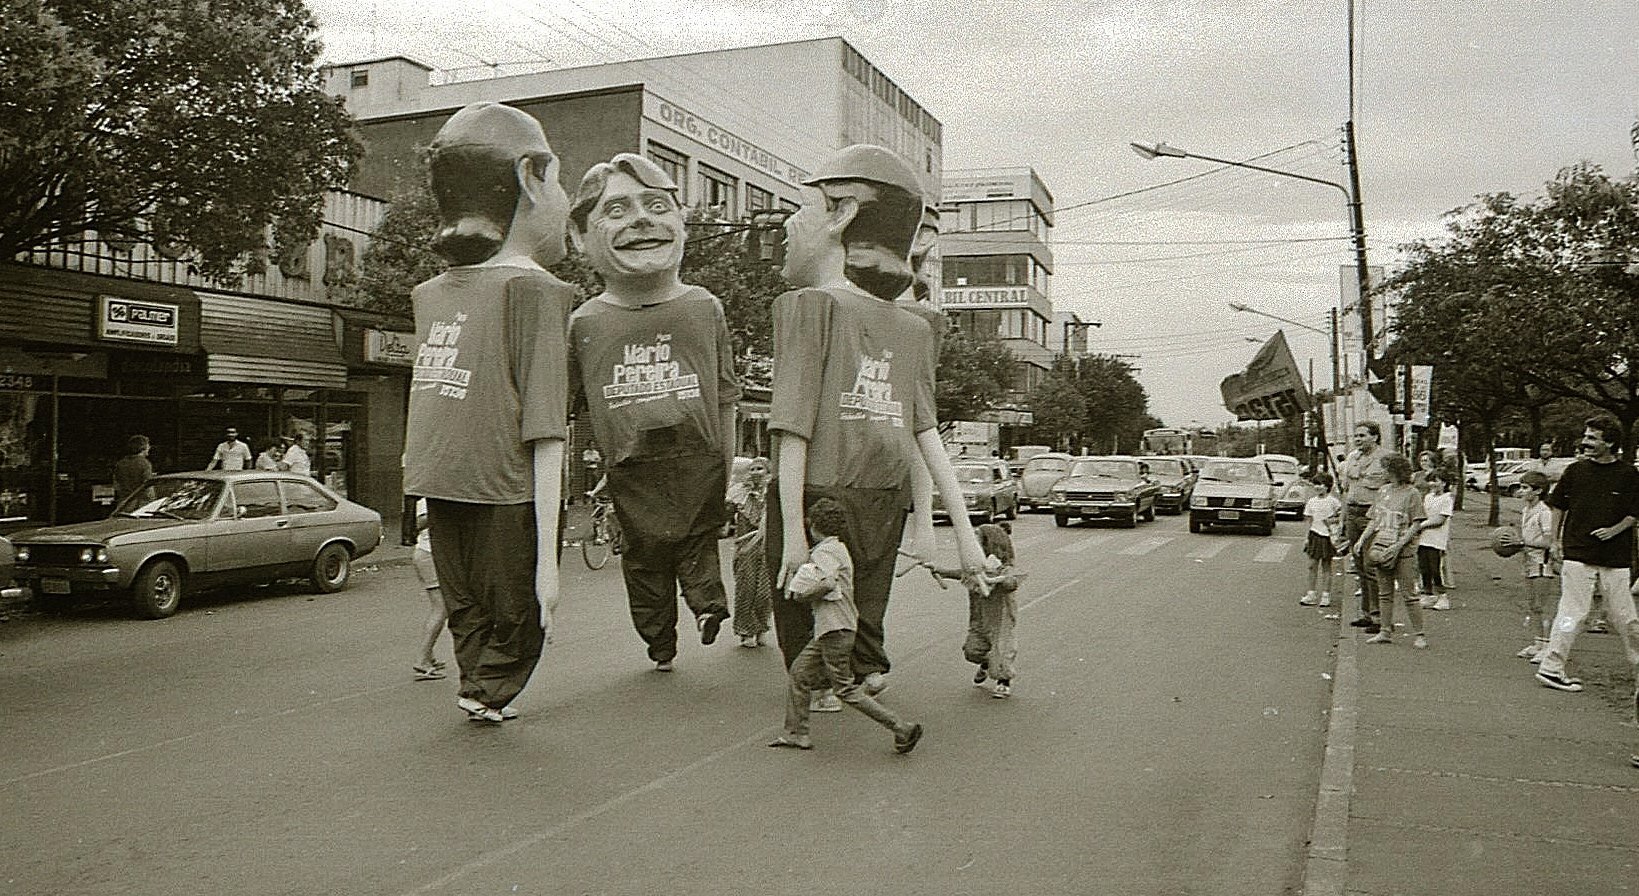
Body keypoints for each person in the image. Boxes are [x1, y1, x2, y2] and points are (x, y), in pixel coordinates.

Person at [766, 144, 987, 701]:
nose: (789, 226)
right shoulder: (916, 325)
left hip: (817, 496)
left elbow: (793, 431)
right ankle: (857, 674)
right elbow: (925, 438)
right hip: (881, 499)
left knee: (807, 597)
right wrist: (957, 536)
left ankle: (821, 683)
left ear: (841, 214)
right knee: (865, 598)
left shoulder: (807, 306)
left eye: (801, 208)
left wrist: (793, 534)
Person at [403, 102, 571, 724]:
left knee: (466, 599)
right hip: (507, 488)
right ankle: (487, 688)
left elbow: (430, 392)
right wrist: (550, 564)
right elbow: (547, 428)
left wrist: (418, 493)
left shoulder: (431, 293)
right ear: (531, 177)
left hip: (437, 480)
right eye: (557, 181)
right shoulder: (536, 290)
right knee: (520, 609)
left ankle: (477, 685)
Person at [566, 153, 738, 672]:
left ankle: (700, 613)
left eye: (657, 205)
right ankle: (665, 637)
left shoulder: (704, 307)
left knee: (676, 547)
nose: (641, 219)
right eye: (616, 210)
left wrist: (725, 468)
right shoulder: (582, 323)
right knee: (656, 553)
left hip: (694, 454)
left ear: (680, 223)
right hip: (630, 463)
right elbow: (563, 413)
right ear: (581, 237)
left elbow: (727, 396)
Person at [767, 497, 923, 754]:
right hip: (835, 629)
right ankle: (797, 733)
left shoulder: (824, 552)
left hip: (834, 629)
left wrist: (801, 596)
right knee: (799, 672)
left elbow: (827, 583)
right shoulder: (839, 548)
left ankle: (901, 727)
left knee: (845, 689)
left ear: (814, 526)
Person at [1532, 415, 1639, 693]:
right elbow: (1558, 507)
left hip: (1614, 558)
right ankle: (1552, 668)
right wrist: (1554, 541)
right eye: (1586, 436)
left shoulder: (1628, 475)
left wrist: (1614, 530)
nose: (1585, 442)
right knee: (1572, 612)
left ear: (1610, 442)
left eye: (1593, 437)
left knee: (1626, 617)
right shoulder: (1575, 471)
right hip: (1578, 553)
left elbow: (1634, 513)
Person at [1357, 453, 1429, 649]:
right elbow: (1374, 519)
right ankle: (1385, 631)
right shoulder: (1383, 491)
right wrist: (1362, 539)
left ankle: (1420, 634)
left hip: (1403, 549)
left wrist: (1399, 546)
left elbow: (1416, 523)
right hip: (1382, 545)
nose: (1383, 473)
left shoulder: (1412, 493)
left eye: (1386, 469)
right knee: (1384, 592)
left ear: (1396, 471)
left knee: (1409, 593)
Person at [957, 522, 1022, 699]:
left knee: (1001, 652)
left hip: (1000, 619)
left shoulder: (1004, 567)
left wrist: (999, 579)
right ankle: (986, 663)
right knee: (972, 651)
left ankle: (1003, 682)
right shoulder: (975, 566)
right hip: (979, 617)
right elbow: (962, 574)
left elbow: (1011, 582)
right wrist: (939, 570)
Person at [1343, 421, 1389, 633]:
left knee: (1371, 566)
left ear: (1375, 437)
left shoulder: (1385, 459)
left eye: (1362, 435)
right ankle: (1366, 613)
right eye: (1356, 436)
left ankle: (1379, 617)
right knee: (1359, 565)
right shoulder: (1352, 458)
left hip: (1372, 514)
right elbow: (1347, 488)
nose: (1358, 439)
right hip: (1353, 512)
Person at [1511, 471, 1557, 661]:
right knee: (1533, 605)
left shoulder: (1545, 512)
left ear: (1538, 491)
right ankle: (1538, 642)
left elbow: (1549, 541)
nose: (1521, 491)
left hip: (1542, 563)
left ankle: (1548, 645)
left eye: (1525, 488)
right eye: (1521, 487)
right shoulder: (1526, 510)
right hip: (1529, 561)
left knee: (1541, 606)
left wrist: (1524, 543)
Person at [731, 457, 773, 648]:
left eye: (760, 468)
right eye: (753, 469)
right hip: (746, 548)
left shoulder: (773, 494)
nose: (756, 472)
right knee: (746, 590)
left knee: (765, 592)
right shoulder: (740, 494)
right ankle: (746, 631)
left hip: (768, 547)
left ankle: (761, 626)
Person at [410, 498, 449, 681]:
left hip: (430, 554)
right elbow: (420, 523)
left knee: (439, 608)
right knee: (441, 609)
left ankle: (428, 656)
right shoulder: (427, 499)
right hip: (428, 554)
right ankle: (422, 660)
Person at [1300, 471, 1343, 608]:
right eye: (1315, 485)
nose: (1317, 487)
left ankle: (1326, 595)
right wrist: (1307, 538)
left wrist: (1332, 522)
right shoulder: (1311, 501)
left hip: (1328, 537)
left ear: (1328, 486)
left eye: (1321, 484)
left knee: (1326, 566)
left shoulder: (1333, 501)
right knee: (1312, 565)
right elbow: (1309, 519)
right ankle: (1311, 593)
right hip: (1314, 534)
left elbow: (1341, 517)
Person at [1415, 471, 1454, 611]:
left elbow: (1440, 520)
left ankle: (1442, 596)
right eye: (1430, 481)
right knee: (1424, 568)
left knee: (1435, 568)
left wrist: (1422, 525)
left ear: (1444, 483)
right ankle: (1428, 594)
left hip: (1436, 539)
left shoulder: (1447, 498)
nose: (1433, 484)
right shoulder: (1428, 497)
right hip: (1423, 538)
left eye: (1436, 481)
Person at [112, 435, 153, 504]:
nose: (149, 448)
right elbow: (148, 485)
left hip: (123, 502)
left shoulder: (121, 463)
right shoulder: (145, 463)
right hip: (140, 503)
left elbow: (116, 485)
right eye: (148, 445)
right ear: (142, 447)